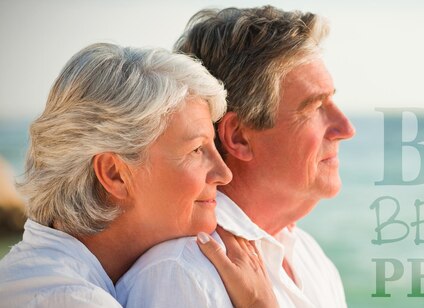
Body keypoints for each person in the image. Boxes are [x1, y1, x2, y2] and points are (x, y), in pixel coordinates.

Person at [0, 43, 277, 308]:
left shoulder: (46, 277)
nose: (224, 173)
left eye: (212, 147)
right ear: (115, 174)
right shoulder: (68, 298)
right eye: (196, 150)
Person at [116, 6, 355, 308]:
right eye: (313, 107)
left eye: (331, 100)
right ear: (239, 137)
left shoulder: (308, 255)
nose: (346, 128)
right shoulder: (183, 274)